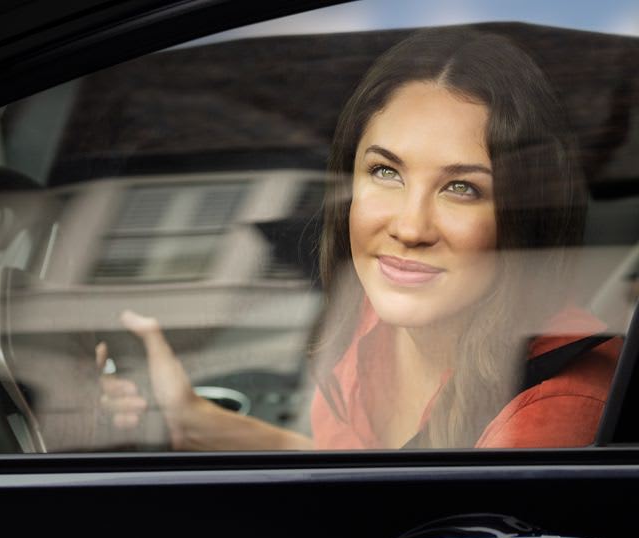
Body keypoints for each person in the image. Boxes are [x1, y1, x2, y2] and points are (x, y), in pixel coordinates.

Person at [94, 27, 622, 450]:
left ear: (522, 216)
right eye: (386, 173)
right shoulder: (373, 318)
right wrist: (192, 418)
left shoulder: (554, 408)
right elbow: (361, 482)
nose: (410, 228)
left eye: (461, 188)